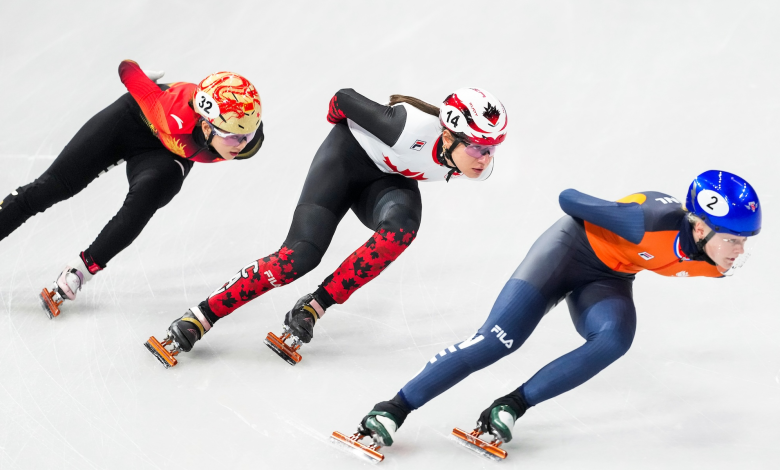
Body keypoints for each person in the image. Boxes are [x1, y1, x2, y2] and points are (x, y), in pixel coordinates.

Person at [343, 170, 761, 456]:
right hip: (566, 251)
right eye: (735, 240)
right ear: (701, 227)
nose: (740, 252)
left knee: (615, 338)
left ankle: (507, 407)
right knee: (498, 340)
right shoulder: (646, 221)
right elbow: (569, 200)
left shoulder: (712, 259)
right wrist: (615, 219)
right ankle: (392, 409)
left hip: (609, 278)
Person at [145, 87, 509, 368]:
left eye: (493, 148)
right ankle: (202, 315)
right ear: (447, 137)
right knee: (299, 257)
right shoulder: (406, 127)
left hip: (386, 180)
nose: (486, 159)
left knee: (401, 231)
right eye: (478, 148)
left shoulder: (475, 162)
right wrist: (345, 130)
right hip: (344, 162)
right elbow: (343, 99)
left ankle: (312, 307)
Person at [0, 60, 264, 318]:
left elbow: (242, 134)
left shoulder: (246, 137)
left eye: (248, 135)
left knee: (154, 191)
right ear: (207, 126)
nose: (242, 144)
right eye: (234, 137)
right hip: (131, 120)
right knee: (53, 187)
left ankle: (81, 270)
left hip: (163, 154)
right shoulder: (171, 113)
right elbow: (125, 68)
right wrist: (142, 80)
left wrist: (243, 135)